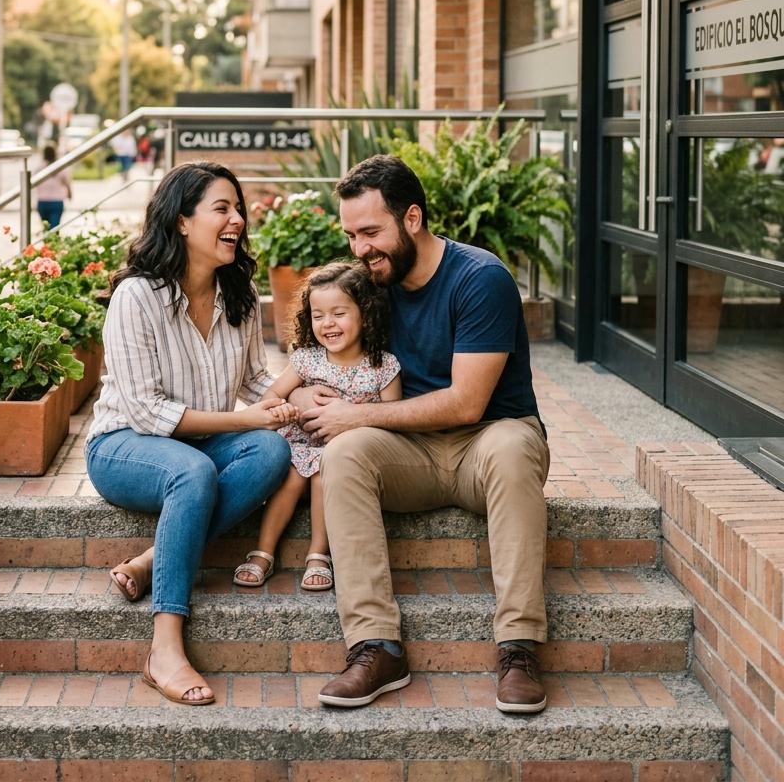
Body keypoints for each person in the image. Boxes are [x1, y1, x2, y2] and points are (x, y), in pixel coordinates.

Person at [297, 155, 550, 714]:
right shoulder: (370, 286)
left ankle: (519, 648)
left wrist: (357, 414)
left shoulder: (479, 279)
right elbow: (316, 354)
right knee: (344, 454)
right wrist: (299, 395)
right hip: (409, 448)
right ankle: (376, 646)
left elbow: (466, 402)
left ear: (412, 218)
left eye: (371, 232)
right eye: (351, 235)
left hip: (486, 440)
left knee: (511, 449)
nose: (360, 249)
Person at [84, 161, 294, 706]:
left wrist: (298, 397)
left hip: (200, 445)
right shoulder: (138, 296)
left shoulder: (239, 292)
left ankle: (154, 559)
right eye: (221, 209)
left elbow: (253, 382)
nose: (238, 220)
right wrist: (245, 417)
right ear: (181, 221)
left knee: (271, 449)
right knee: (193, 471)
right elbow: (150, 413)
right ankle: (165, 646)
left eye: (239, 209)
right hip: (125, 447)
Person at [233, 262, 400, 593]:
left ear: (365, 314)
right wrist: (291, 405)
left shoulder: (384, 366)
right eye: (318, 314)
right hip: (301, 444)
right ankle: (264, 552)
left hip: (348, 454)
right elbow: (270, 396)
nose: (328, 323)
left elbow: (393, 417)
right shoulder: (307, 360)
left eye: (339, 313)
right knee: (291, 474)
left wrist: (356, 418)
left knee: (327, 473)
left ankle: (317, 555)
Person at [32, 144, 72, 231]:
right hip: (56, 201)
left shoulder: (39, 167)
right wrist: (69, 194)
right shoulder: (60, 166)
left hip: (42, 201)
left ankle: (46, 244)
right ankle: (52, 244)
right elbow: (67, 183)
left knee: (46, 228)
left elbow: (33, 183)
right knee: (54, 228)